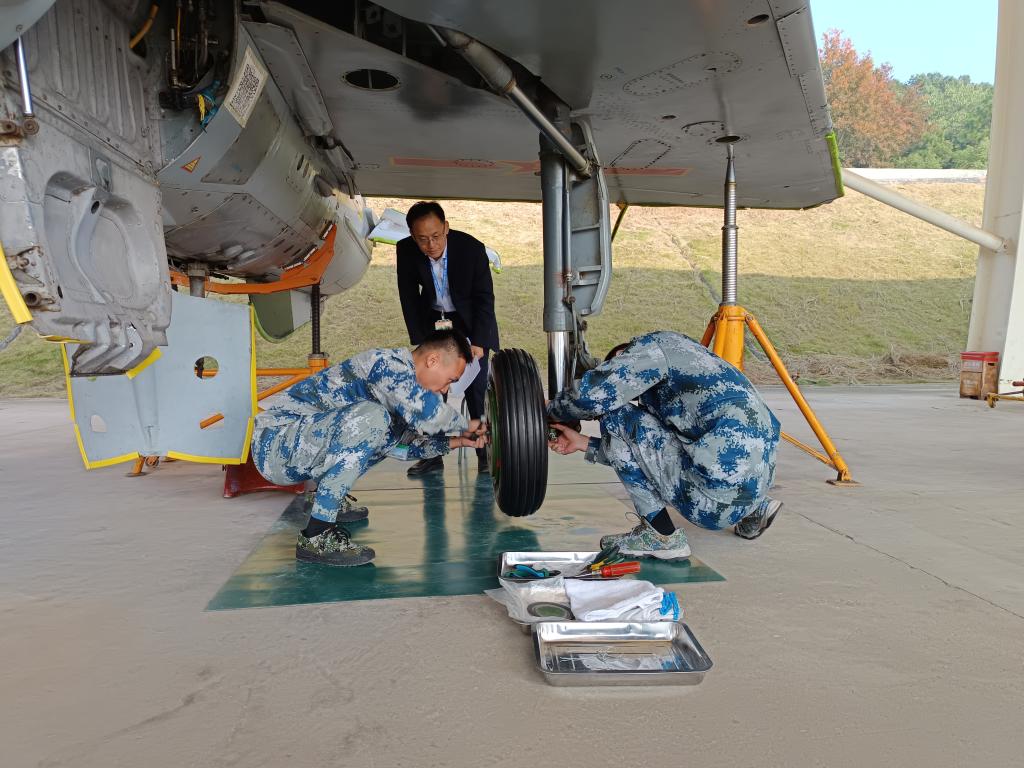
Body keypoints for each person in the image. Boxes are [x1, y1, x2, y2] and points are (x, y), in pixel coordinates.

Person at [251, 330, 487, 566]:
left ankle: (326, 498)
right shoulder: (386, 364)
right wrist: (466, 424)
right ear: (432, 360)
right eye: (450, 380)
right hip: (275, 443)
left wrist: (457, 441)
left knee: (383, 430)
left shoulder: (398, 396)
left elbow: (401, 447)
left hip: (299, 448)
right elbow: (427, 413)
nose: (446, 390)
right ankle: (316, 536)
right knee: (373, 419)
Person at [547, 331, 782, 560]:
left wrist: (542, 409)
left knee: (615, 413)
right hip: (757, 487)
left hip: (712, 501)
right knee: (724, 446)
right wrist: (583, 444)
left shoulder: (649, 350)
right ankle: (754, 512)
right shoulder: (691, 360)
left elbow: (593, 397)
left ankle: (661, 536)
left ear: (623, 356)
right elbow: (652, 456)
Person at [396, 201, 499, 477]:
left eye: (436, 236)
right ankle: (433, 454)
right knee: (430, 390)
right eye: (422, 239)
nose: (430, 245)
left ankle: (484, 453)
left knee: (475, 389)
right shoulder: (405, 250)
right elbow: (408, 296)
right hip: (434, 321)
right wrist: (421, 341)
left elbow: (484, 299)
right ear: (411, 235)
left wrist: (478, 340)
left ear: (446, 228)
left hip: (469, 323)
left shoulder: (471, 249)